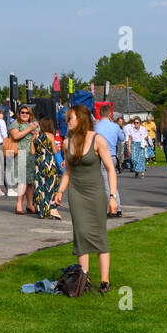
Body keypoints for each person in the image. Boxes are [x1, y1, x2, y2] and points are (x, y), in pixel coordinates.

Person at [53, 104, 117, 294]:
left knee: (98, 233)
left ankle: (105, 281)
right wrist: (60, 191)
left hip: (95, 192)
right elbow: (68, 171)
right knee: (80, 233)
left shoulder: (98, 140)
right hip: (76, 192)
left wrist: (112, 196)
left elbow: (110, 169)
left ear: (80, 118)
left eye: (69, 118)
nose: (67, 122)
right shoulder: (68, 141)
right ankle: (84, 277)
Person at [94, 110, 127, 216]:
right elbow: (122, 138)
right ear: (110, 115)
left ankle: (115, 209)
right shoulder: (115, 126)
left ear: (99, 114)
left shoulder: (96, 127)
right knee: (112, 183)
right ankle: (118, 207)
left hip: (101, 156)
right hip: (112, 155)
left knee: (106, 184)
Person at [8, 104, 38, 213]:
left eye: (27, 113)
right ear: (19, 114)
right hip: (21, 153)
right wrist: (29, 129)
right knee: (22, 180)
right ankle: (19, 204)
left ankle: (30, 204)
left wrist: (36, 133)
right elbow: (15, 136)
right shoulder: (15, 124)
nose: (25, 114)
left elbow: (39, 136)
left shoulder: (34, 124)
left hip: (32, 155)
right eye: (22, 112)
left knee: (30, 181)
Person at [32, 116, 62, 220]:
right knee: (52, 185)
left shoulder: (36, 136)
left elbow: (32, 152)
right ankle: (51, 208)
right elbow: (55, 151)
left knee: (40, 186)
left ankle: (42, 210)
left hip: (39, 162)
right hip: (48, 162)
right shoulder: (50, 136)